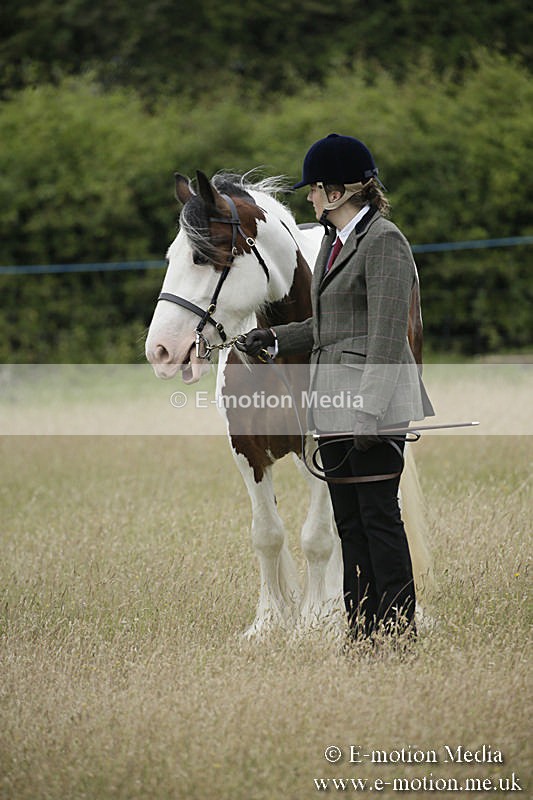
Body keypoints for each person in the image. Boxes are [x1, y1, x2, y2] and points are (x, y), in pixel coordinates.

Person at [239, 133, 434, 640]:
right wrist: (273, 339)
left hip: (372, 406)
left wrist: (369, 412)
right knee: (349, 526)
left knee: (379, 522)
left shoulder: (385, 241)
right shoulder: (331, 243)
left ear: (341, 190)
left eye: (315, 189)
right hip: (331, 405)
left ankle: (396, 634)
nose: (308, 197)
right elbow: (329, 327)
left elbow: (389, 335)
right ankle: (362, 632)